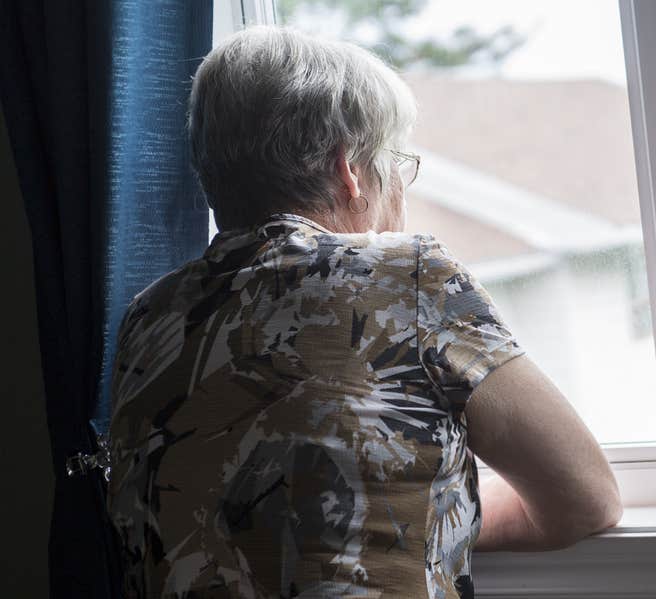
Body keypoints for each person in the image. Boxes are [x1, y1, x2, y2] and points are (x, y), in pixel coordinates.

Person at [105, 26, 622, 598]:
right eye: (395, 159)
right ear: (349, 166)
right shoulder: (407, 276)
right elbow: (585, 498)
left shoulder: (147, 319)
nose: (400, 182)